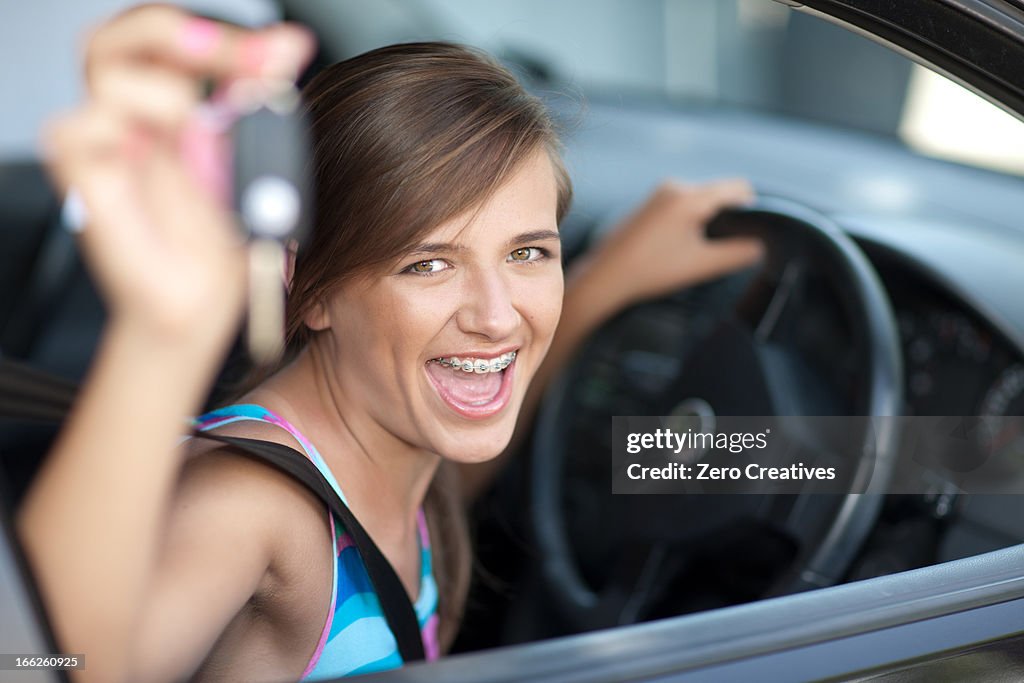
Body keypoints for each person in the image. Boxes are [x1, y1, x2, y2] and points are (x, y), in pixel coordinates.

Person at [17, 5, 761, 683]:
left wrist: (603, 282)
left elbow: (447, 487)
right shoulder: (246, 509)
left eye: (528, 252)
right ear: (308, 290)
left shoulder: (403, 458)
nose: (498, 317)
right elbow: (40, 663)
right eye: (426, 264)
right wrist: (159, 338)